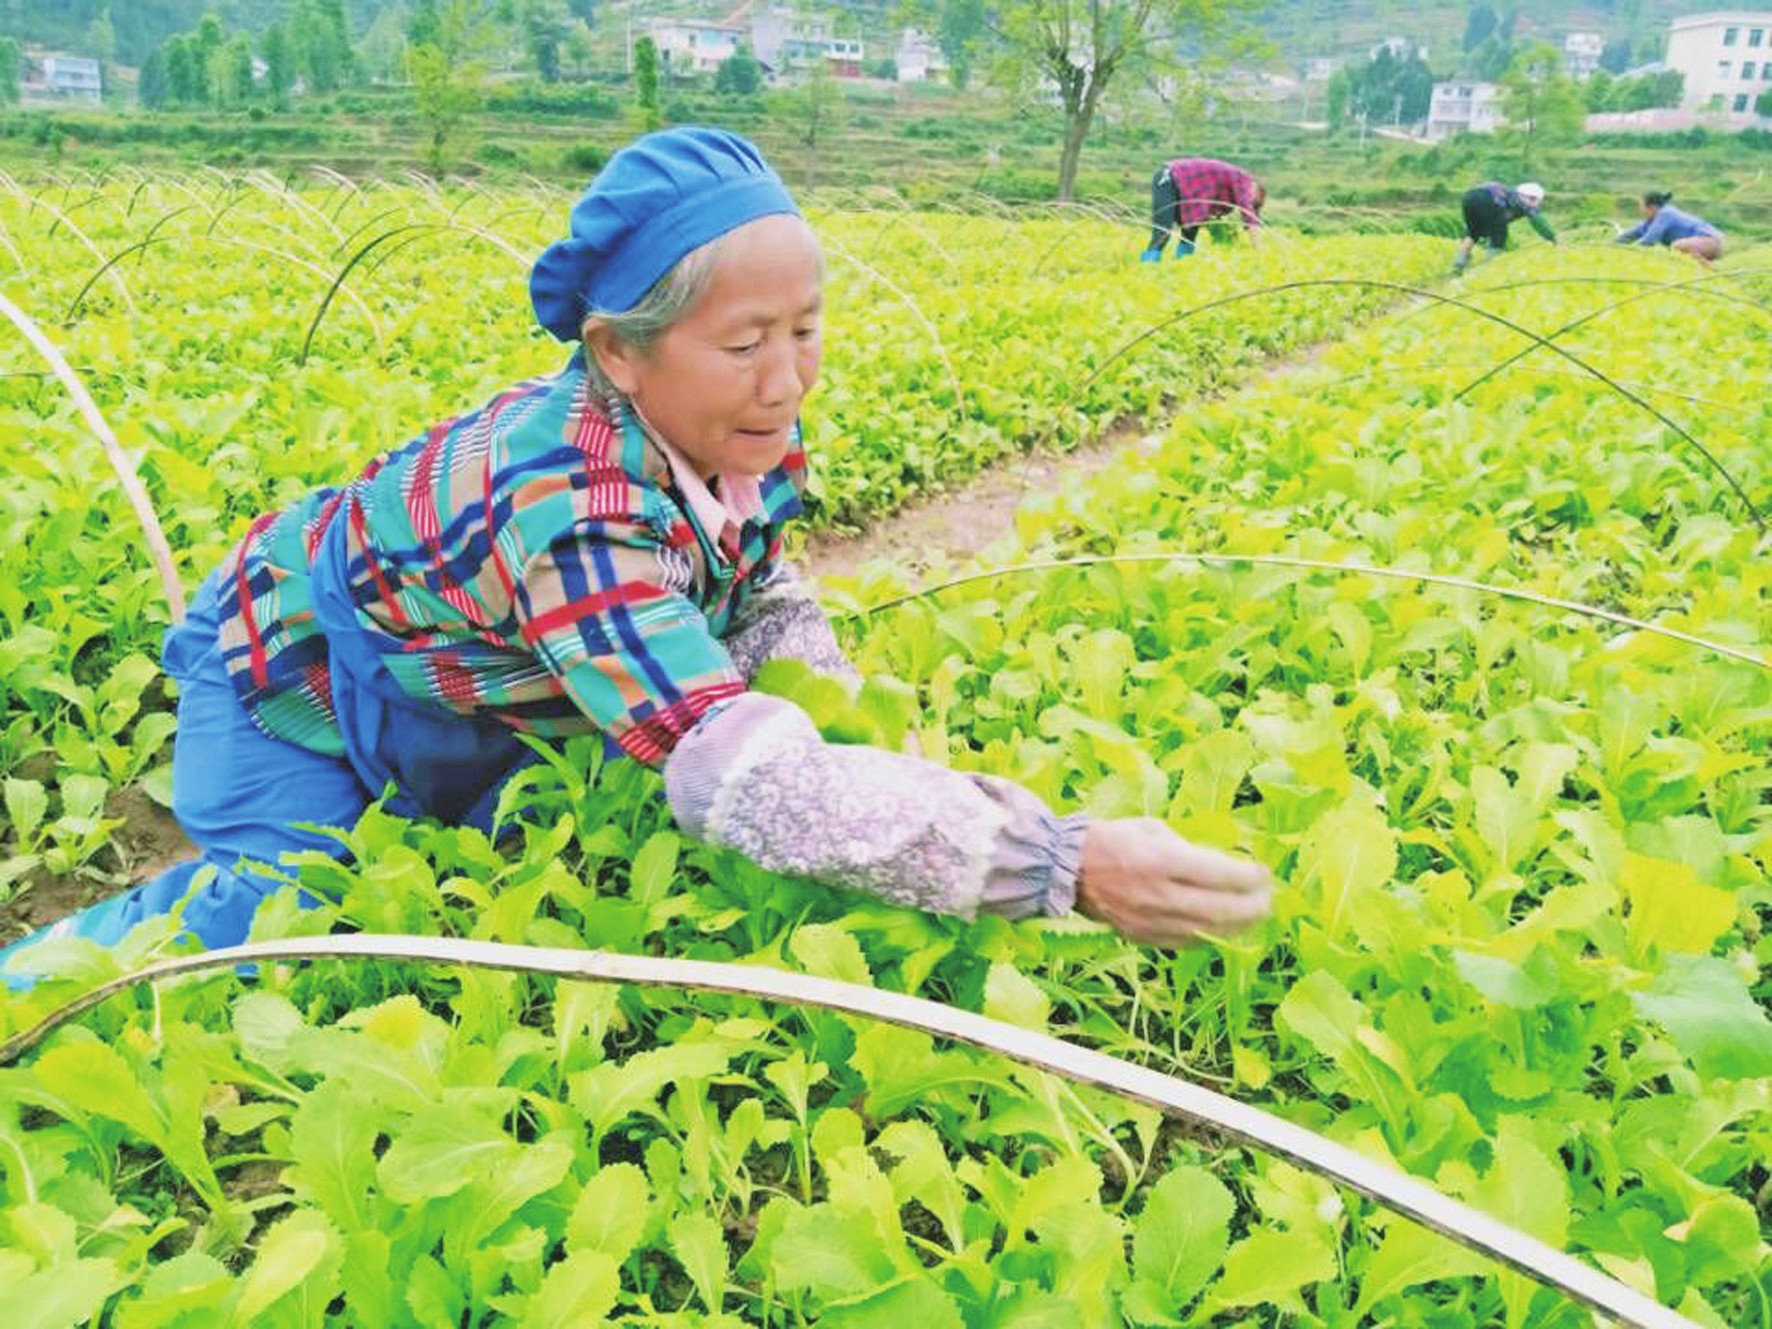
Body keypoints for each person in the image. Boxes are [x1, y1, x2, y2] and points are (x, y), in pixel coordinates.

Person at [3, 127, 1273, 988]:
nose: (785, 381)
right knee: (290, 898)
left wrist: (838, 716)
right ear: (620, 350)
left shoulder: (725, 426)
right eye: (743, 343)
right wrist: (1054, 861)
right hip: (286, 680)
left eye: (807, 331)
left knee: (509, 846)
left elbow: (759, 580)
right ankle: (37, 983)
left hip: (468, 675)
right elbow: (736, 775)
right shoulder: (572, 512)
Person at [1140, 157, 1265, 261]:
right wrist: (1259, 251)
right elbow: (1248, 215)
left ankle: (1183, 264)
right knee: (1163, 230)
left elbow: (1243, 212)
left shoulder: (1234, 189)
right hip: (1169, 177)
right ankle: (1148, 266)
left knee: (1191, 229)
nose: (1249, 199)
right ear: (1256, 187)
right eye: (1253, 197)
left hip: (1188, 190)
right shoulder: (1244, 180)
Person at [1452, 181, 1557, 274]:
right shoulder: (1525, 202)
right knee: (1499, 235)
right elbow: (1539, 222)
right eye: (1534, 200)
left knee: (1473, 232)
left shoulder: (1509, 192)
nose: (1535, 203)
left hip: (1469, 197)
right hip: (1487, 198)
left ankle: (1459, 264)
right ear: (1527, 196)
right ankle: (1487, 268)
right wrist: (1551, 237)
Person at [1616, 190, 1724, 264]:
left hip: (1711, 241)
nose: (1641, 210)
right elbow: (1630, 235)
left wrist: (1629, 254)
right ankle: (1705, 266)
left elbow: (1649, 240)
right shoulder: (1650, 222)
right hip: (1701, 244)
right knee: (1677, 250)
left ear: (1651, 208)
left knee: (1676, 246)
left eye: (1642, 206)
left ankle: (1707, 267)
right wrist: (1611, 246)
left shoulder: (1665, 214)